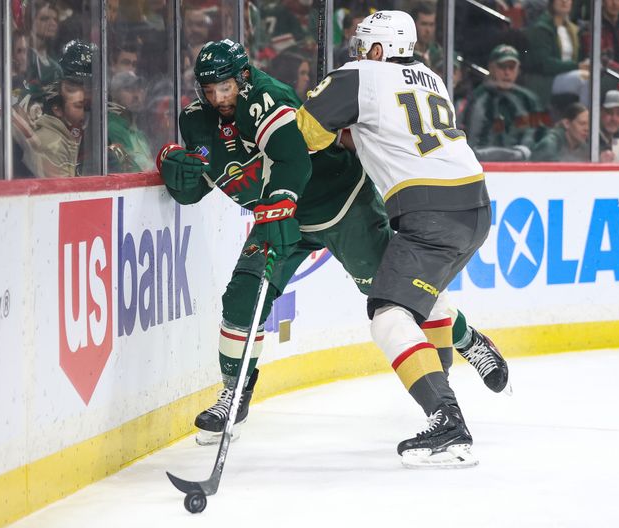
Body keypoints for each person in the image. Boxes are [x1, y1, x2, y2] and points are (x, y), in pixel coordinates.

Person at [159, 39, 509, 449]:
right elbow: (207, 177)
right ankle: (233, 397)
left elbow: (293, 160)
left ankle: (468, 339)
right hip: (278, 219)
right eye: (210, 89)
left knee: (398, 297)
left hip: (342, 206)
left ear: (244, 78)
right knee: (241, 298)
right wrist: (179, 172)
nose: (219, 98)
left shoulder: (268, 97)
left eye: (227, 88)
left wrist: (277, 209)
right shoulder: (195, 120)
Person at [296, 10, 496, 468]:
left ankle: (447, 422)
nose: (358, 51)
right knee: (422, 305)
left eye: (365, 44)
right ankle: (454, 377)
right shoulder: (430, 78)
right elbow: (382, 134)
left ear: (380, 48)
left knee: (388, 316)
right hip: (476, 206)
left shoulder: (357, 76)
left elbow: (304, 135)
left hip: (431, 213)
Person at [463, 44, 548, 161]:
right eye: (502, 67)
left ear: (518, 69)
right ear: (491, 68)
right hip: (484, 165)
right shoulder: (477, 98)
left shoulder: (529, 99)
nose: (507, 72)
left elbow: (539, 133)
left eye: (511, 67)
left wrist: (525, 151)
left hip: (523, 167)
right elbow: (471, 138)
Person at [523, 0, 590, 108]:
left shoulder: (573, 29)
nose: (564, 1)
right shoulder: (541, 28)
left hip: (569, 74)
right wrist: (577, 66)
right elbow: (544, 63)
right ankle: (583, 118)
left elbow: (579, 58)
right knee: (585, 79)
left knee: (596, 76)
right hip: (548, 79)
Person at [23, 78, 85, 177]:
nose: (85, 111)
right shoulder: (53, 145)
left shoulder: (59, 137)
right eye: (78, 106)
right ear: (57, 110)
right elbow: (64, 190)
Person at [107, 71, 153, 172]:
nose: (136, 95)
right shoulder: (113, 127)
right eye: (129, 89)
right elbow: (133, 171)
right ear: (114, 94)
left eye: (139, 89)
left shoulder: (140, 134)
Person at [411, 1, 442, 71]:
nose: (428, 30)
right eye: (424, 24)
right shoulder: (406, 55)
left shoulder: (438, 53)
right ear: (414, 24)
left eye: (431, 24)